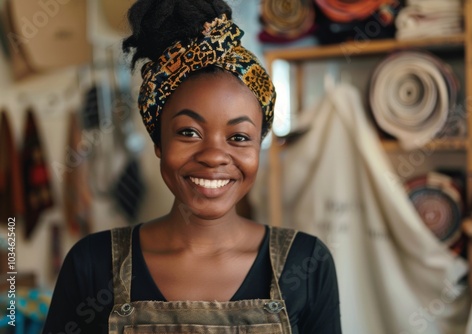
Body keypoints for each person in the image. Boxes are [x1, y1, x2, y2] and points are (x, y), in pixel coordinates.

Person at [42, 0, 341, 333]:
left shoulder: (306, 263)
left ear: (259, 146)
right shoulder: (92, 264)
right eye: (189, 132)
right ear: (159, 143)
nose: (214, 156)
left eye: (239, 137)